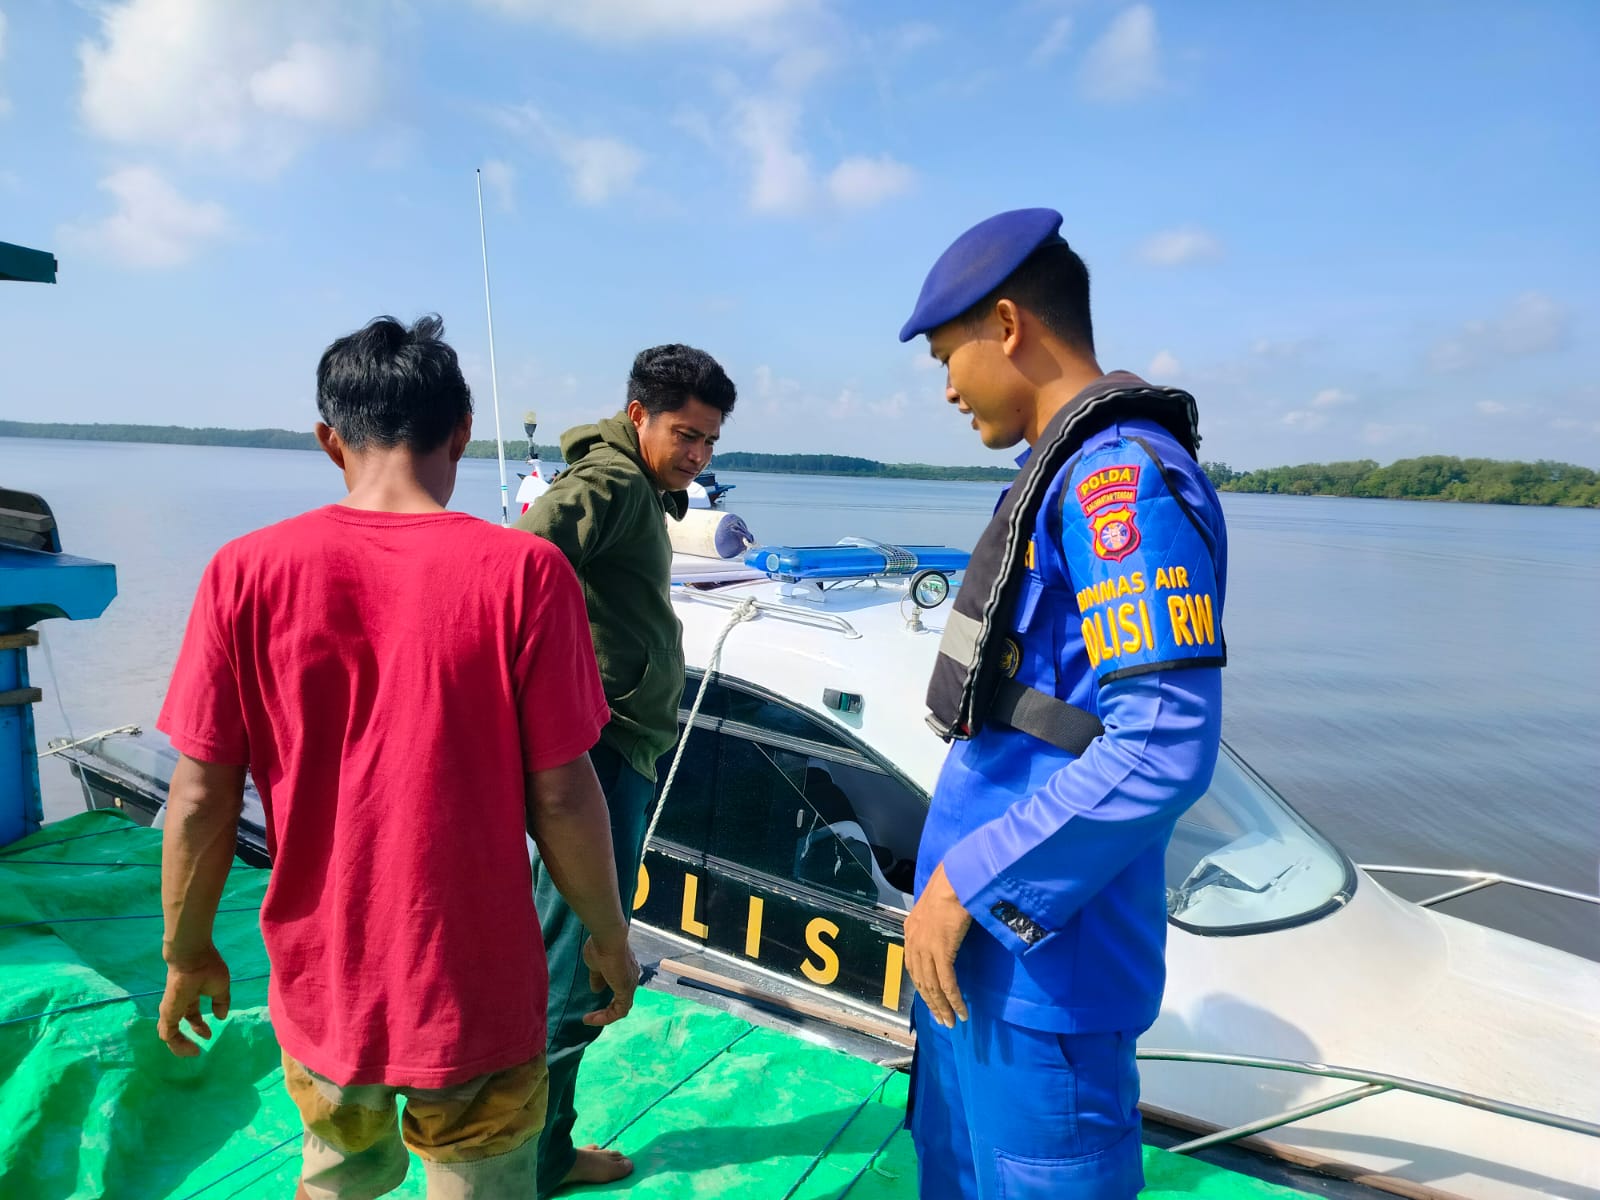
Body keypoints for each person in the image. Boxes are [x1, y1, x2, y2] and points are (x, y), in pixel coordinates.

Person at [155, 314, 640, 1199]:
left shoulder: (243, 572)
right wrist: (608, 935)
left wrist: (187, 951)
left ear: (328, 440)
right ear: (460, 433)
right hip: (478, 990)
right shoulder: (526, 575)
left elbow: (197, 798)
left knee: (338, 1177)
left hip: (323, 984)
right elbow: (564, 798)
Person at [897, 209, 1228, 1199]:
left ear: (1008, 325)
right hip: (975, 968)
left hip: (1043, 970)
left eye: (950, 356)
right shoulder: (1052, 480)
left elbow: (1164, 742)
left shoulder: (1119, 484)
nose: (948, 387)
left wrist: (967, 882)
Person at [515, 343, 736, 1192]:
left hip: (613, 745)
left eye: (711, 441)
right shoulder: (608, 483)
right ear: (637, 414)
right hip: (599, 756)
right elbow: (522, 562)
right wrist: (567, 686)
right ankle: (535, 1161)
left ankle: (537, 1145)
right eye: (685, 434)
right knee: (575, 966)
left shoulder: (640, 488)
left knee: (565, 957)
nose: (699, 455)